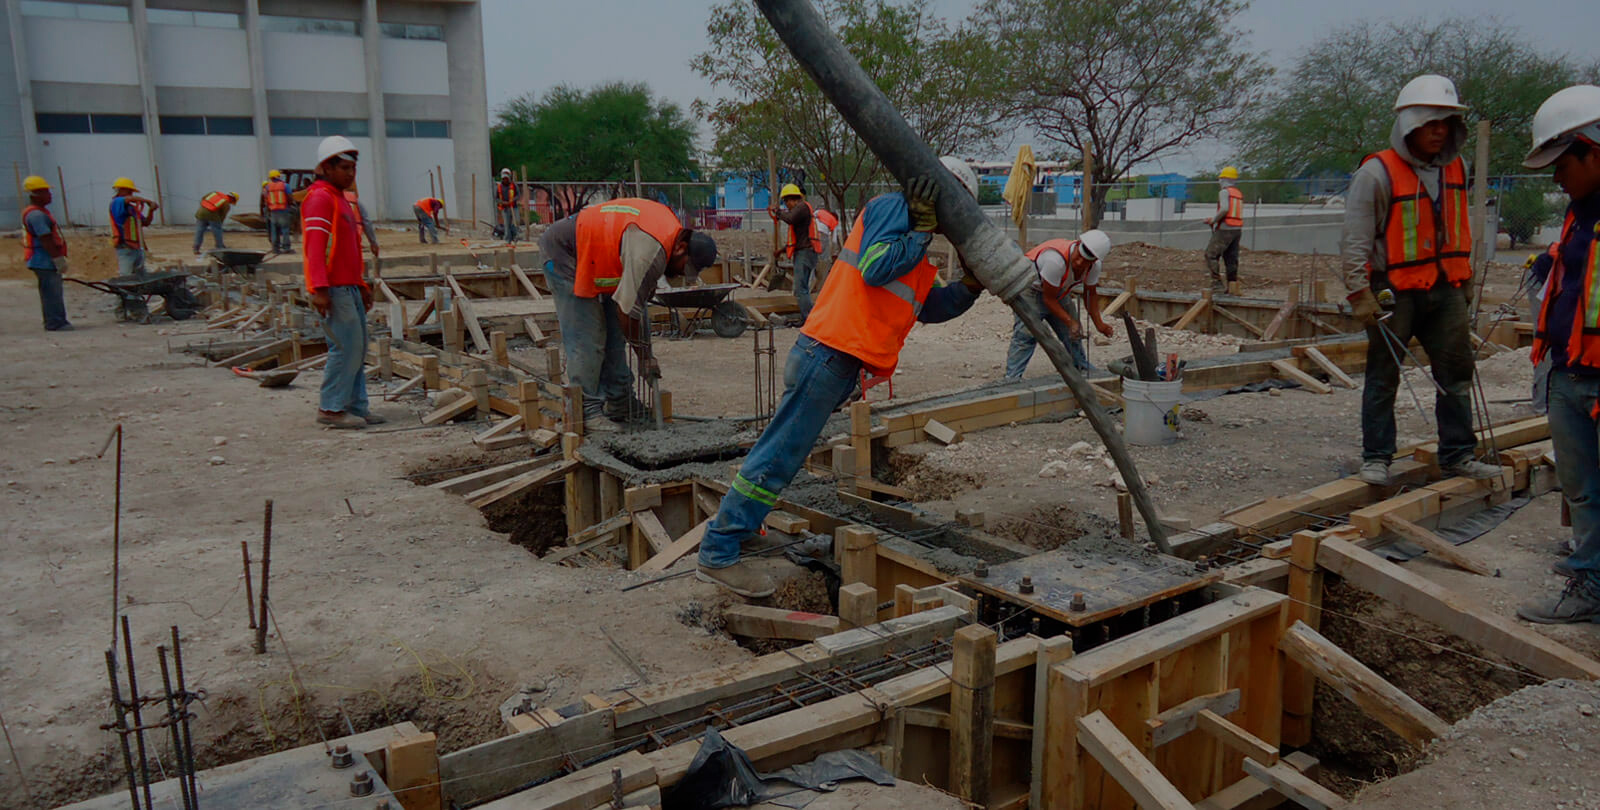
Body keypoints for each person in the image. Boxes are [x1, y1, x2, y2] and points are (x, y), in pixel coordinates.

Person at [697, 157, 988, 597]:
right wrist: (922, 232)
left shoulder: (911, 239)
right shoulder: (895, 211)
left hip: (830, 358)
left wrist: (968, 287)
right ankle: (718, 551)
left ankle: (742, 531)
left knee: (781, 455)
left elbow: (927, 307)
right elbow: (875, 267)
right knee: (777, 457)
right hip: (828, 353)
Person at [1340, 74, 1501, 486]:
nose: (1439, 131)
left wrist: (1464, 277)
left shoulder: (1456, 168)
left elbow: (1458, 225)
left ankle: (1458, 454)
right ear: (1410, 125)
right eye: (1431, 123)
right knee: (1384, 375)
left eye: (1445, 123)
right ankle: (1377, 457)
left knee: (1456, 372)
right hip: (1393, 290)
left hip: (1445, 287)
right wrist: (1360, 293)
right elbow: (1356, 239)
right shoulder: (1376, 174)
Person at [1515, 85, 1600, 624]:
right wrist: (1551, 260)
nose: (1555, 177)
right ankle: (1590, 574)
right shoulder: (1579, 211)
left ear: (1593, 149)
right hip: (1570, 371)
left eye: (1562, 162)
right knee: (1583, 488)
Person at [540, 198, 719, 431]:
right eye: (683, 268)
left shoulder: (668, 238)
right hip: (566, 252)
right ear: (681, 248)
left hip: (599, 257)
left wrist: (645, 351)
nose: (679, 274)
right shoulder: (650, 251)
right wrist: (645, 357)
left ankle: (620, 402)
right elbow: (628, 312)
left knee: (616, 335)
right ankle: (587, 411)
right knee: (589, 338)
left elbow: (635, 309)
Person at [302, 135, 381, 430]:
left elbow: (347, 251)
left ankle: (355, 406)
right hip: (333, 288)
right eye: (344, 168)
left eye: (353, 168)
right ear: (326, 167)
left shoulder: (341, 200)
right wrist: (319, 289)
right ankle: (331, 407)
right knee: (344, 348)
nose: (350, 174)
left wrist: (362, 285)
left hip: (349, 286)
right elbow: (314, 247)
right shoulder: (320, 198)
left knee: (357, 348)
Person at [1004, 230, 1113, 379]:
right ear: (1078, 244)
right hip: (1029, 289)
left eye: (1087, 260)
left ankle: (1080, 366)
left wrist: (1099, 323)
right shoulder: (1055, 260)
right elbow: (1048, 300)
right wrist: (1069, 321)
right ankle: (1012, 378)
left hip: (1057, 290)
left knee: (1074, 333)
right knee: (1027, 334)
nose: (1080, 262)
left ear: (1095, 260)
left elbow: (1090, 294)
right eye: (1079, 256)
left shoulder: (1094, 266)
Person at [21, 175, 72, 331]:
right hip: (43, 259)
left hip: (42, 259)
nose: (49, 195)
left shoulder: (38, 212)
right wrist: (58, 259)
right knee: (52, 292)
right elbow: (46, 239)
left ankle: (55, 320)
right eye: (46, 192)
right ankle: (56, 322)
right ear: (36, 194)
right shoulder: (37, 215)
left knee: (50, 291)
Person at [770, 184, 821, 322]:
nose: (787, 205)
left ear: (792, 199)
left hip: (805, 253)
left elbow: (790, 218)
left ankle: (810, 319)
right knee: (802, 288)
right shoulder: (800, 211)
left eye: (786, 202)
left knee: (800, 289)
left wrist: (778, 212)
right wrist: (781, 251)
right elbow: (796, 239)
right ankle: (809, 318)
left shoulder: (802, 207)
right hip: (804, 252)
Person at [1204, 166, 1245, 292]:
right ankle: (1232, 286)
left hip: (1225, 229)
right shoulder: (1238, 194)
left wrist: (1213, 220)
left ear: (1224, 179)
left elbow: (1224, 209)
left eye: (1221, 178)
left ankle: (1217, 284)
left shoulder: (1224, 192)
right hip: (1237, 230)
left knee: (1210, 254)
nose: (1219, 181)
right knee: (1231, 259)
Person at [109, 177, 157, 278]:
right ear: (120, 190)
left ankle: (137, 293)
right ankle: (127, 294)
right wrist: (147, 201)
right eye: (129, 190)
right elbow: (129, 199)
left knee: (141, 277)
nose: (131, 193)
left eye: (131, 191)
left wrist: (151, 211)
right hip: (125, 248)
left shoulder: (131, 208)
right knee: (127, 278)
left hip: (136, 248)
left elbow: (146, 222)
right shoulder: (116, 202)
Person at [192, 190, 238, 254]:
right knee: (217, 231)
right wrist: (219, 223)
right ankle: (220, 247)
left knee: (199, 231)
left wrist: (205, 208)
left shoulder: (214, 193)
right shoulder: (226, 203)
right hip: (212, 216)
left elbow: (203, 198)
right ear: (232, 199)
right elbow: (223, 215)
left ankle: (196, 248)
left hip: (200, 212)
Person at [344, 188, 380, 258]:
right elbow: (366, 222)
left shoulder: (328, 198)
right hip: (354, 236)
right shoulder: (353, 199)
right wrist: (373, 242)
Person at [264, 170, 293, 253]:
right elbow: (289, 197)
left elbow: (266, 199)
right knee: (285, 230)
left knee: (274, 231)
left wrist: (268, 210)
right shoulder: (285, 185)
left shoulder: (267, 187)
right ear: (278, 176)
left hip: (273, 211)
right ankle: (286, 248)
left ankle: (275, 248)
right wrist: (290, 205)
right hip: (283, 210)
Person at [496, 168, 519, 242]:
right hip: (505, 208)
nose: (505, 180)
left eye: (506, 178)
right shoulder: (499, 187)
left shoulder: (513, 186)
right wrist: (503, 202)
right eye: (504, 179)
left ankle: (515, 237)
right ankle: (507, 239)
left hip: (513, 207)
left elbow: (518, 195)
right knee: (507, 224)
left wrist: (513, 200)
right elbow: (496, 198)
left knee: (516, 221)